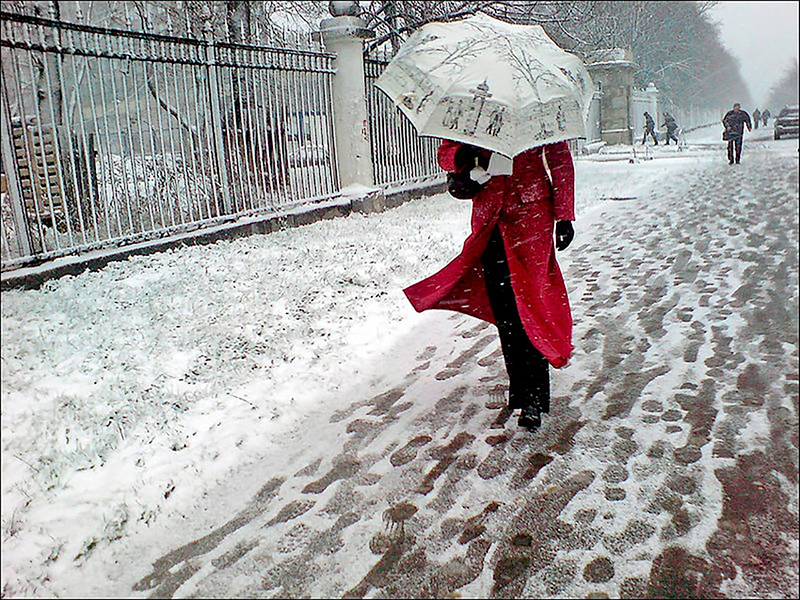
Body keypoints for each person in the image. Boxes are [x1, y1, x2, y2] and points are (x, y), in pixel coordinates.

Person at [404, 140, 575, 431]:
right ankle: (519, 388)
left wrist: (565, 215)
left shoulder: (536, 109)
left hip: (531, 217)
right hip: (489, 219)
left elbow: (559, 159)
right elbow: (445, 154)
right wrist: (462, 156)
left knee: (530, 304)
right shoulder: (474, 107)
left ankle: (534, 397)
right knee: (505, 308)